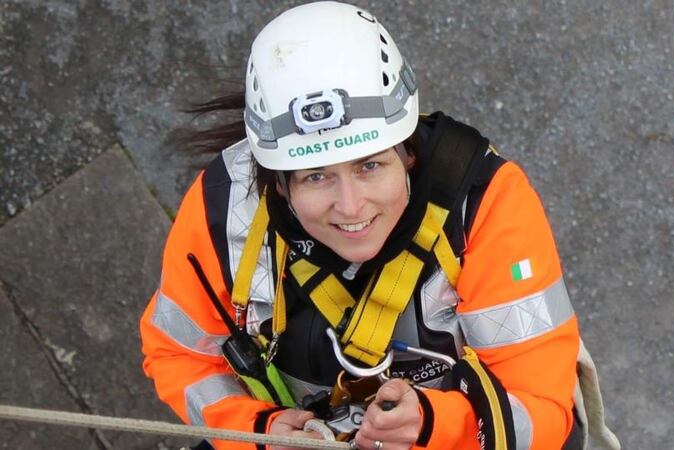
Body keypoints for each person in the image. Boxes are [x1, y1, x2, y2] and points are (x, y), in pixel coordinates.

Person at [140, 2, 591, 449]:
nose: (351, 207)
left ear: (408, 152)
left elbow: (542, 408)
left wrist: (434, 425)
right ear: (279, 184)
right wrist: (254, 432)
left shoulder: (484, 206)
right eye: (316, 176)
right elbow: (179, 355)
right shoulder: (225, 208)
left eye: (370, 166)